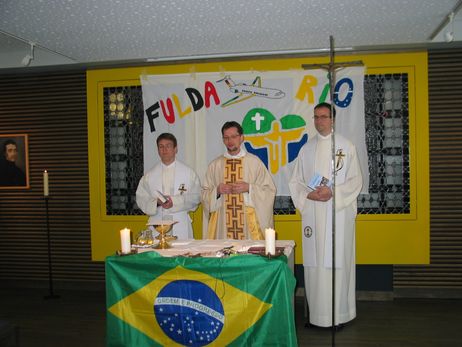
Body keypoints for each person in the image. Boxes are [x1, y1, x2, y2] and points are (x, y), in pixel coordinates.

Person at [289, 102, 363, 328]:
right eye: (316, 117)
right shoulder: (306, 149)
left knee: (336, 262)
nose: (319, 121)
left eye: (323, 117)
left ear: (333, 119)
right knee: (315, 265)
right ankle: (317, 316)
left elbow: (356, 180)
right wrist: (309, 197)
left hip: (337, 214)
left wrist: (333, 192)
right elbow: (296, 181)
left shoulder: (346, 146)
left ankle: (338, 316)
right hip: (313, 213)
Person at [201, 121, 276, 240]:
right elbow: (204, 193)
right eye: (226, 138)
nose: (230, 141)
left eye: (233, 137)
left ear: (241, 138)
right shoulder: (215, 165)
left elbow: (269, 191)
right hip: (223, 225)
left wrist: (249, 188)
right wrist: (217, 191)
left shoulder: (254, 162)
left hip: (248, 225)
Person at [136, 133, 201, 239]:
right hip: (157, 223)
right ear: (158, 150)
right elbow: (141, 199)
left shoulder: (189, 174)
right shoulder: (149, 176)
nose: (164, 150)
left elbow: (196, 197)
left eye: (168, 146)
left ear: (175, 149)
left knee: (181, 254)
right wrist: (156, 202)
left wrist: (174, 201)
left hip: (180, 223)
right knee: (158, 254)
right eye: (161, 146)